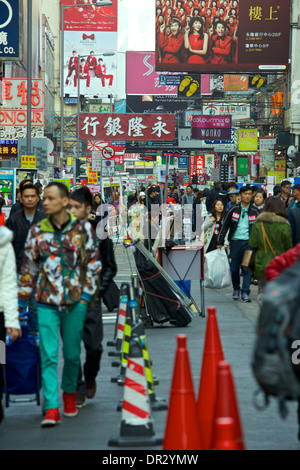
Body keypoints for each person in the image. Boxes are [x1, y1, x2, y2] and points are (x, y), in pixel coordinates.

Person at [18, 182, 101, 427]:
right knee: (49, 355)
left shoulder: (83, 229)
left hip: (76, 302)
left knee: (73, 355)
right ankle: (52, 407)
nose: (45, 202)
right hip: (45, 302)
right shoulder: (37, 231)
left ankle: (68, 394)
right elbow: (28, 270)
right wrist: (20, 304)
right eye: (44, 198)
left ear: (64, 202)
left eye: (50, 198)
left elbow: (94, 266)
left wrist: (86, 297)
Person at [69, 187, 117, 408]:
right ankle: (78, 386)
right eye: (69, 206)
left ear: (89, 208)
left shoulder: (99, 231)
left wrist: (99, 290)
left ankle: (90, 376)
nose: (71, 210)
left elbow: (110, 266)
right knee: (71, 350)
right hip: (66, 299)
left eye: (76, 207)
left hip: (91, 298)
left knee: (94, 347)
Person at [6, 183, 46, 333]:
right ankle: (17, 339)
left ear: (37, 198)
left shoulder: (45, 220)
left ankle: (35, 338)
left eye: (32, 196)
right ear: (20, 199)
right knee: (17, 307)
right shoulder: (14, 220)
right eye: (26, 196)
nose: (29, 199)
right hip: (18, 270)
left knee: (36, 307)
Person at [217, 185, 259, 302]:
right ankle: (236, 288)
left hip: (249, 243)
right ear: (240, 195)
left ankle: (245, 292)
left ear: (252, 196)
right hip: (235, 242)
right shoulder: (233, 209)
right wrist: (220, 241)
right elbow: (225, 225)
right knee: (234, 268)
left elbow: (260, 229)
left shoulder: (255, 211)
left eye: (249, 194)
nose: (247, 196)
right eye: (245, 194)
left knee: (247, 269)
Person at [249, 197, 293, 305]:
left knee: (262, 292)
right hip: (279, 265)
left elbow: (252, 244)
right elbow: (289, 248)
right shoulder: (285, 225)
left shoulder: (259, 223)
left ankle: (264, 314)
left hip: (261, 262)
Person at [0, 225, 22, 424]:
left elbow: (8, 284)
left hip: (0, 315)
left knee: (0, 360)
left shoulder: (3, 242)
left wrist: (12, 321)